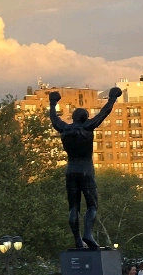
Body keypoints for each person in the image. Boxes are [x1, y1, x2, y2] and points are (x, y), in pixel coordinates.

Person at [48, 86, 122, 249]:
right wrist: (112, 98)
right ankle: (87, 234)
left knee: (73, 206)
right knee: (92, 205)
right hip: (86, 169)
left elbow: (53, 118)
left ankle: (77, 239)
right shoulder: (88, 127)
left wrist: (53, 103)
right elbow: (104, 112)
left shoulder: (64, 128)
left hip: (71, 170)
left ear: (73, 118)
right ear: (85, 118)